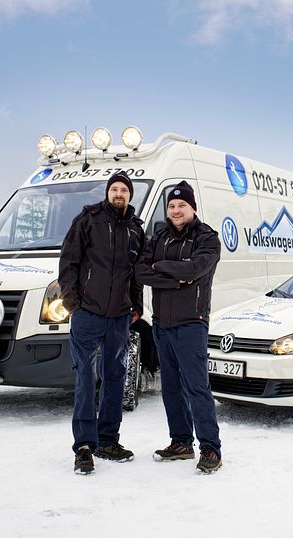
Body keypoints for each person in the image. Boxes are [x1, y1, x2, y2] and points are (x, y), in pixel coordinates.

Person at [58, 170, 145, 475]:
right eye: (115, 189)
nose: (119, 194)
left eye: (124, 190)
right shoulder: (88, 219)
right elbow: (68, 262)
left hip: (119, 317)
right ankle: (84, 446)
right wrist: (73, 304)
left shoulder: (136, 228)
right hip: (88, 315)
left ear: (130, 195)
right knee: (85, 378)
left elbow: (135, 273)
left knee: (115, 377)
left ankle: (108, 439)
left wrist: (137, 306)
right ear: (108, 192)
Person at [135, 181, 223, 474]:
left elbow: (196, 269)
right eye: (171, 206)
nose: (175, 210)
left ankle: (210, 447)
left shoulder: (207, 237)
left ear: (192, 207)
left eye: (181, 205)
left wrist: (161, 267)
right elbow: (140, 271)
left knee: (197, 388)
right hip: (162, 324)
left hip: (191, 324)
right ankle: (182, 442)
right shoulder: (158, 236)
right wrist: (174, 276)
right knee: (171, 389)